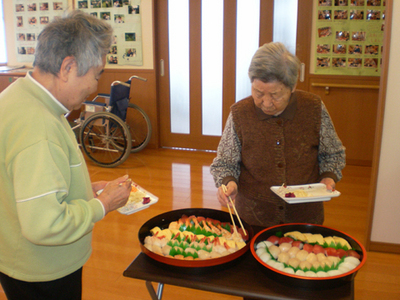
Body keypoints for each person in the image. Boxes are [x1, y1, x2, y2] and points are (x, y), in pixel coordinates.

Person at [0, 10, 132, 300]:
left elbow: (26, 183)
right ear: (68, 67)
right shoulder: (39, 127)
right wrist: (103, 204)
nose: (95, 85)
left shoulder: (18, 96)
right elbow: (44, 225)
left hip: (17, 258)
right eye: (96, 74)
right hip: (43, 271)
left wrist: (85, 189)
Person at [210, 42, 345, 229]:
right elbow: (225, 162)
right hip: (253, 218)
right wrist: (228, 182)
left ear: (293, 86)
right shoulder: (240, 113)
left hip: (305, 217)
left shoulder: (313, 108)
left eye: (275, 95)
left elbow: (333, 153)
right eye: (258, 92)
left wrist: (328, 178)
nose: (266, 103)